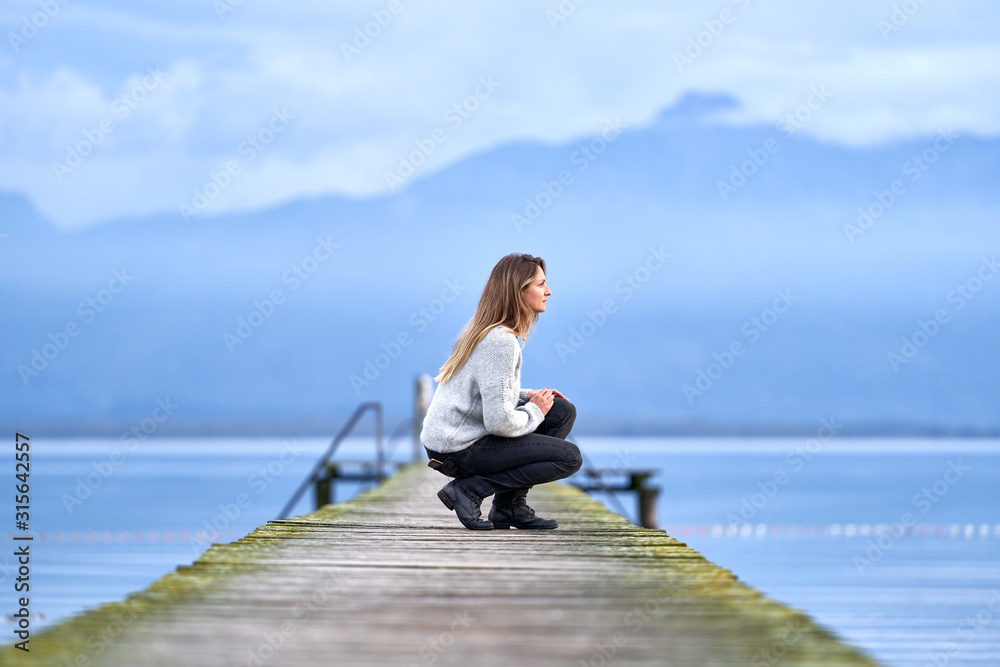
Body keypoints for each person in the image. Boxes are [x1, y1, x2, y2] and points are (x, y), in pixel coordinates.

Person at [420, 253, 583, 530]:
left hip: (448, 443)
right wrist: (534, 410)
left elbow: (482, 392)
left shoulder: (486, 331)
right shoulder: (500, 342)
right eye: (540, 284)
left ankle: (510, 507)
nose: (548, 291)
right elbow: (499, 422)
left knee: (560, 411)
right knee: (569, 457)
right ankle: (470, 490)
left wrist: (529, 397)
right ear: (519, 291)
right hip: (458, 449)